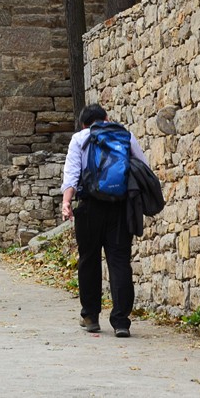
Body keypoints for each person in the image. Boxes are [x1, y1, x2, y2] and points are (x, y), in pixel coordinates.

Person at [61, 104, 149, 338]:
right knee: (119, 261)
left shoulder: (80, 139)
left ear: (84, 124)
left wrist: (66, 202)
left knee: (89, 260)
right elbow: (143, 167)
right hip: (120, 208)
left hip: (89, 207)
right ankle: (121, 321)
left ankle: (90, 316)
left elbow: (71, 175)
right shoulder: (124, 136)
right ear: (106, 118)